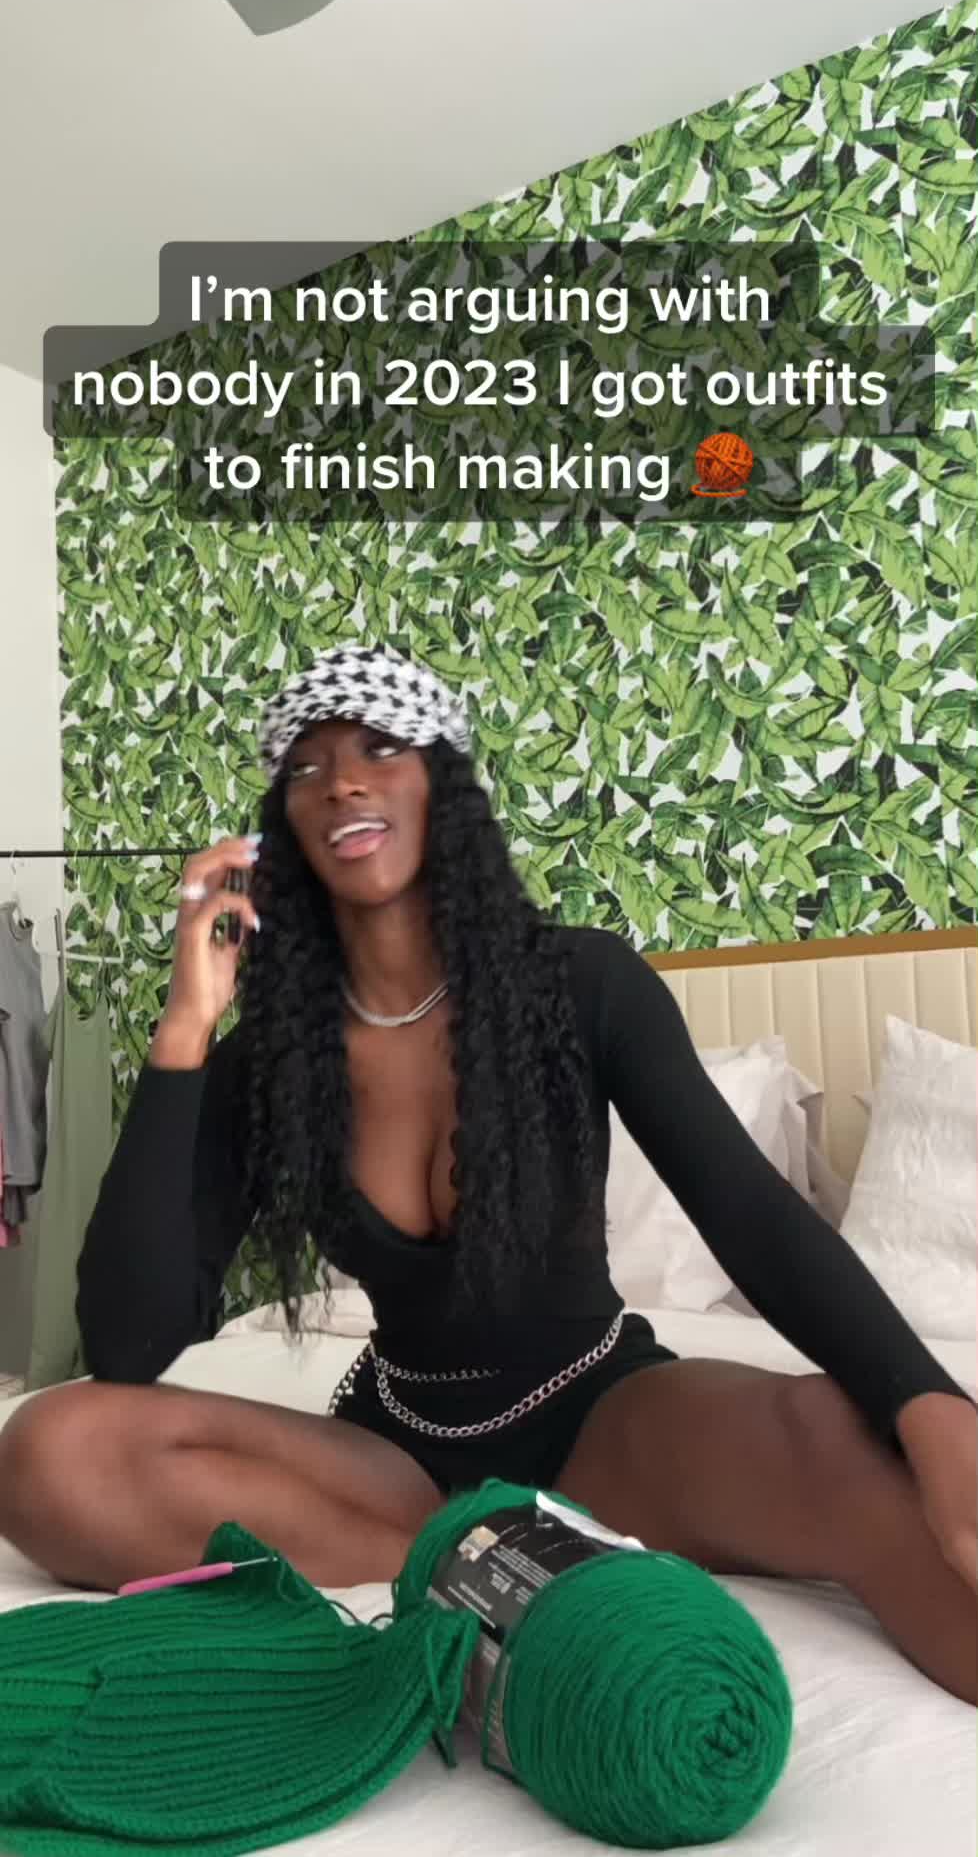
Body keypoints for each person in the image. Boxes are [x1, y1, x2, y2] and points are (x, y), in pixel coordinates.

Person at [1, 645, 974, 1704]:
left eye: (381, 748)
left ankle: (504, 1564)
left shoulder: (583, 982)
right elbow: (130, 1342)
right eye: (308, 768)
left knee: (843, 1435)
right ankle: (492, 1569)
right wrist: (187, 1025)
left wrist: (925, 1400)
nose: (344, 783)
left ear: (445, 785)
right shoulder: (269, 1060)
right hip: (396, 1458)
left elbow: (753, 1217)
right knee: (51, 1449)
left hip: (607, 1420)